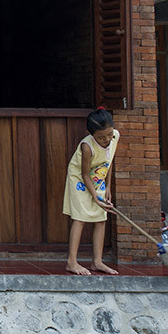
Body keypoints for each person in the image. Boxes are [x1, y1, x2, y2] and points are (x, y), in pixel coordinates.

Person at [63, 107, 118, 275]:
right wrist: (95, 197)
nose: (106, 139)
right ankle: (71, 262)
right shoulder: (87, 146)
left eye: (109, 134)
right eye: (101, 137)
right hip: (80, 180)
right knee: (80, 217)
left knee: (101, 218)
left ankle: (97, 262)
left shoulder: (115, 136)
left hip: (98, 177)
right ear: (91, 134)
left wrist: (107, 186)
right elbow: (84, 174)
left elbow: (109, 161)